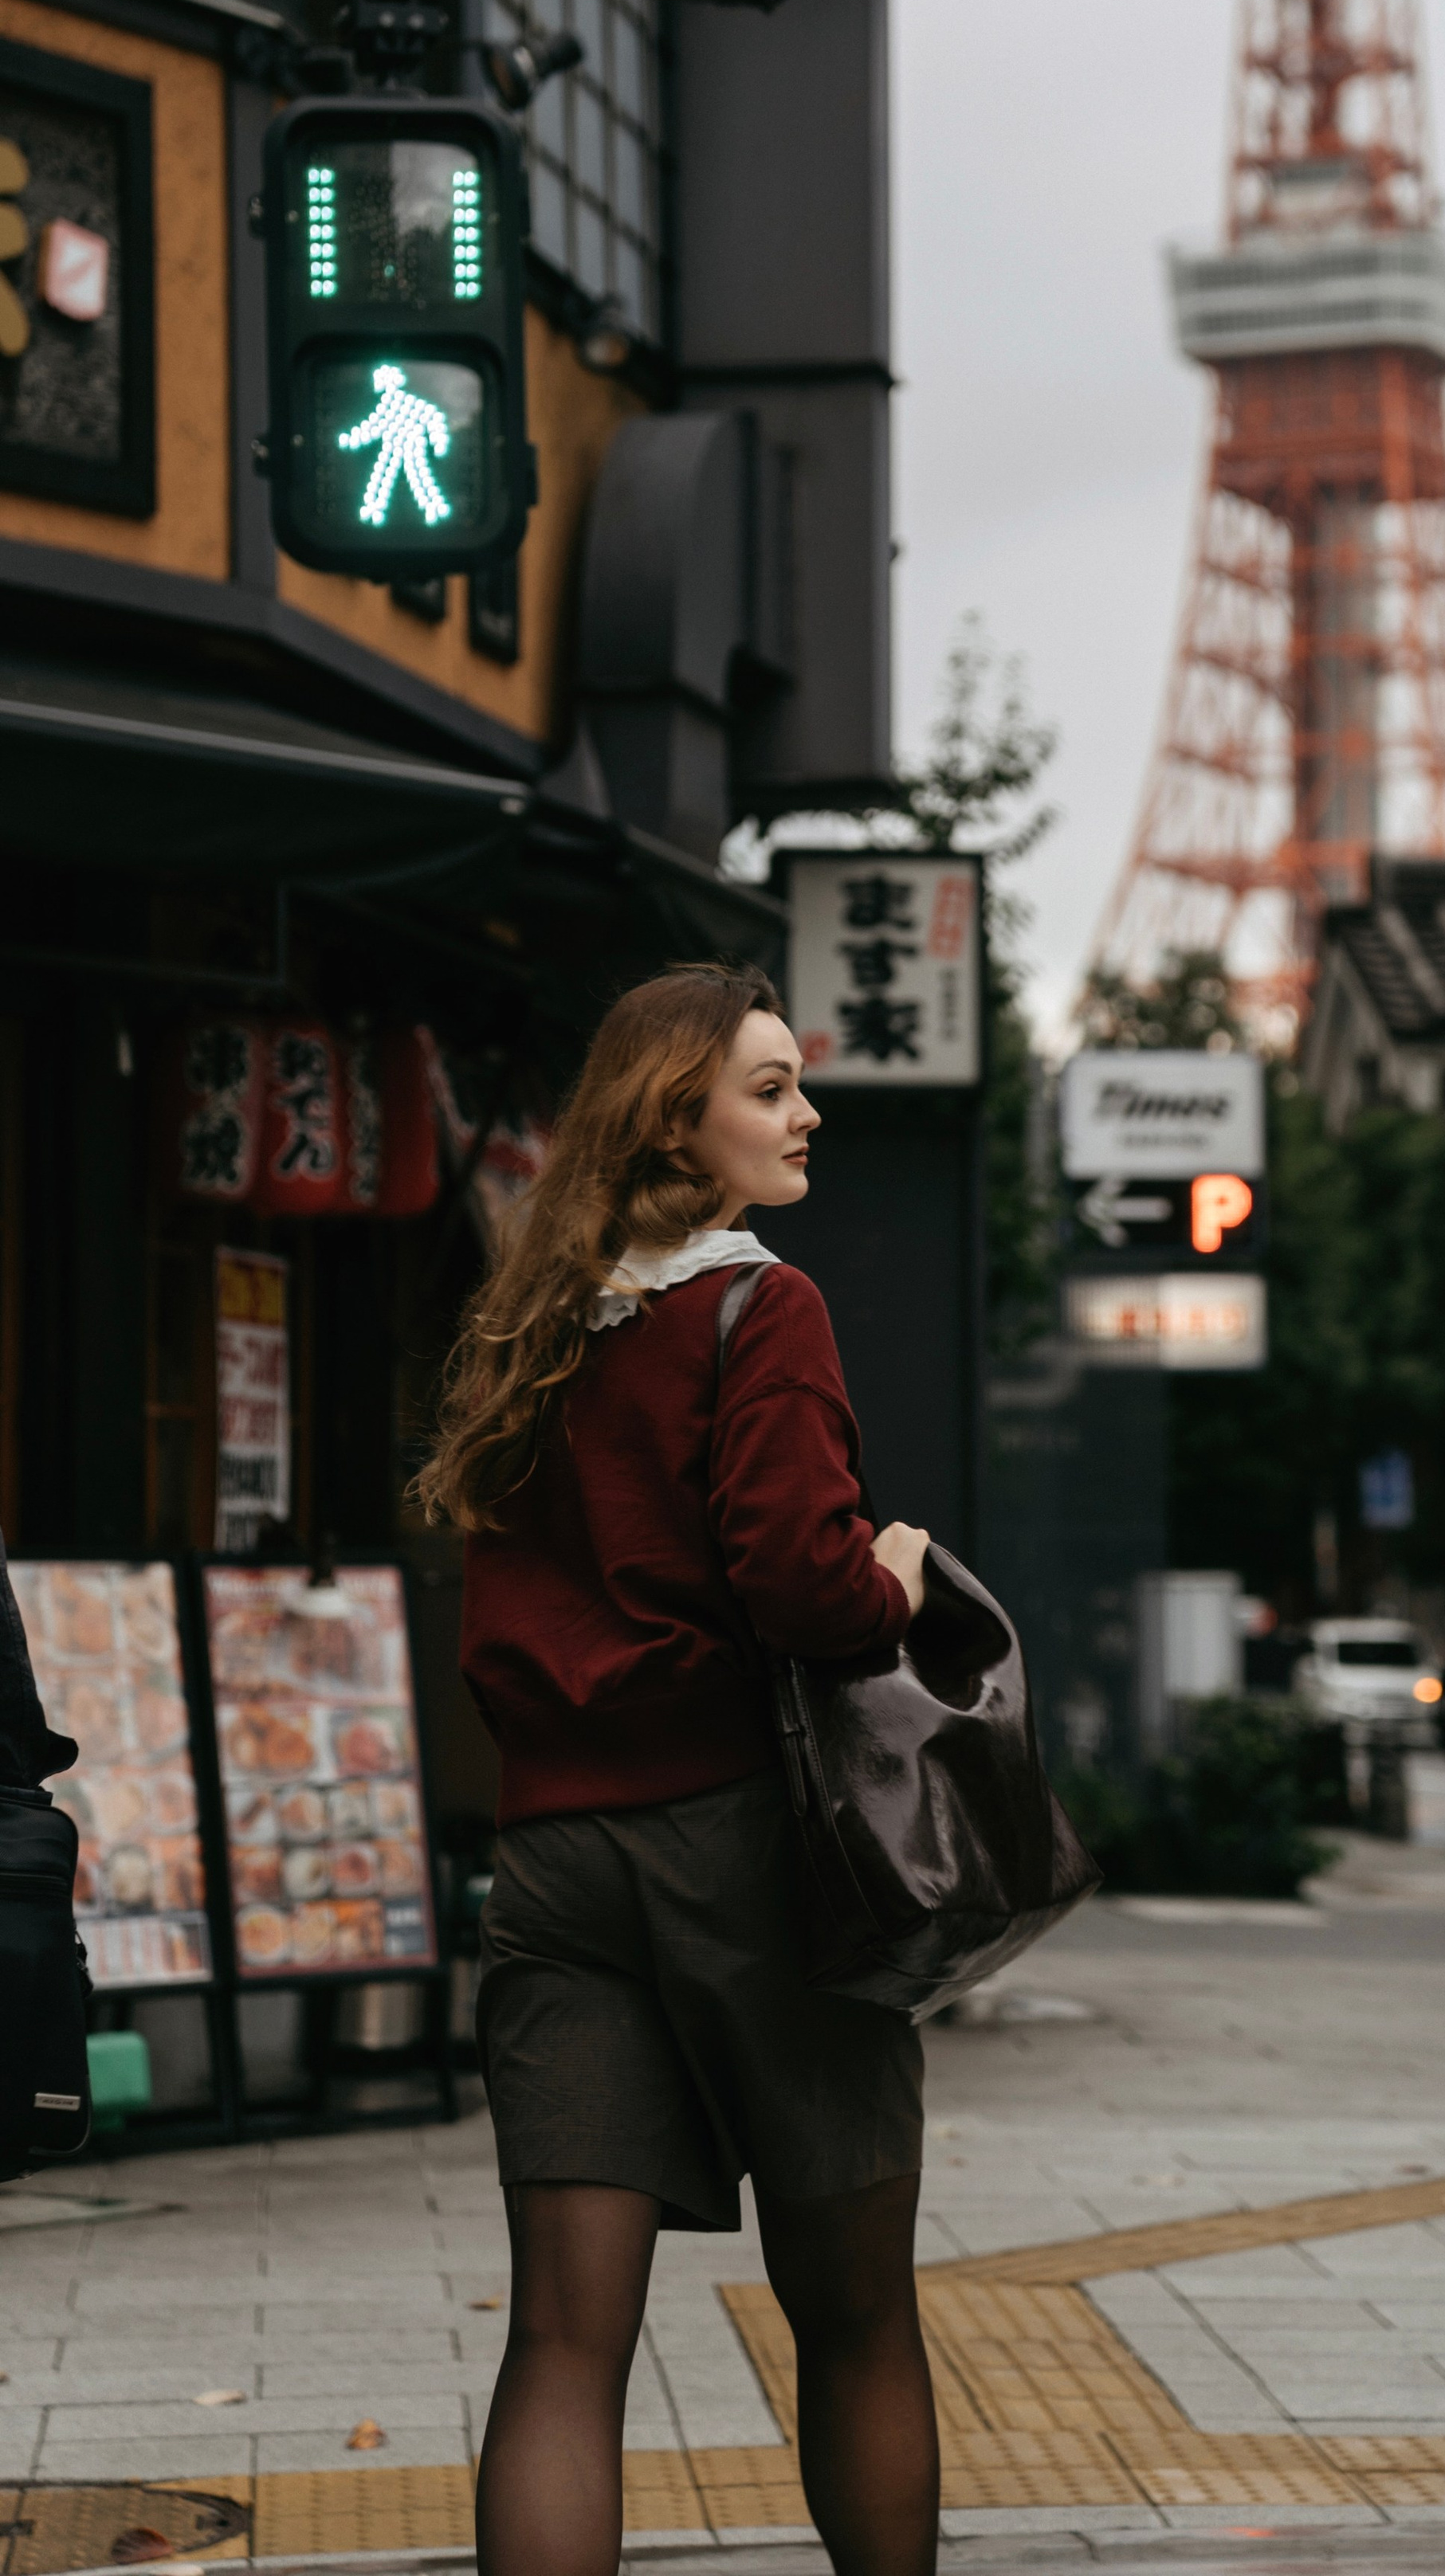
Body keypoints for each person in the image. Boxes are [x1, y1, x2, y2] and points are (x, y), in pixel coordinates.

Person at [416, 963, 939, 2576]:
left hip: (559, 1862)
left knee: (564, 2343)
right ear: (678, 1119)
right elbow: (798, 1580)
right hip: (747, 1851)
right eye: (769, 1087)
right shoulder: (754, 1306)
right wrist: (894, 1580)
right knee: (852, 2315)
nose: (805, 1112)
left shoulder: (533, 1324)